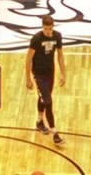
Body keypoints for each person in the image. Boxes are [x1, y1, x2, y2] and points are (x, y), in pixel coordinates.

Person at [26, 15, 66, 145]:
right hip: (39, 75)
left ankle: (39, 121)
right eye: (45, 28)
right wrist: (28, 78)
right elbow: (28, 59)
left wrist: (63, 73)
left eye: (50, 28)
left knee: (43, 98)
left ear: (53, 27)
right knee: (48, 102)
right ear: (42, 27)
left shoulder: (57, 36)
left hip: (50, 73)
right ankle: (55, 133)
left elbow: (60, 55)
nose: (48, 31)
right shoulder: (36, 39)